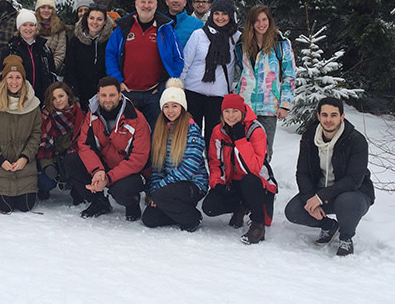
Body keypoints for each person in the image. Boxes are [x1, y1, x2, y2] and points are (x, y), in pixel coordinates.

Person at [284, 97, 374, 256]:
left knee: (346, 202)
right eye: (324, 115)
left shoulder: (356, 140)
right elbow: (303, 172)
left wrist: (320, 197)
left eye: (333, 115)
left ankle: (346, 237)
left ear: (342, 116)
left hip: (354, 193)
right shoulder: (309, 136)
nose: (328, 120)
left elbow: (353, 180)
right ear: (318, 116)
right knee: (293, 211)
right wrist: (310, 198)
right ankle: (329, 226)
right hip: (320, 191)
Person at [65, 76, 151, 221]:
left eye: (112, 95)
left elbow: (138, 159)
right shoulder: (92, 115)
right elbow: (84, 145)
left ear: (120, 95)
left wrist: (108, 178)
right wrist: (97, 171)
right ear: (98, 96)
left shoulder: (136, 119)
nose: (108, 99)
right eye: (103, 95)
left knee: (121, 190)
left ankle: (132, 202)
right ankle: (99, 201)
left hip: (131, 171)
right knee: (71, 161)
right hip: (104, 164)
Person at [202, 94, 278, 245]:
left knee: (249, 181)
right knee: (210, 207)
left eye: (235, 111)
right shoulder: (219, 131)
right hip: (233, 182)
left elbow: (253, 168)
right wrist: (217, 183)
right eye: (227, 111)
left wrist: (241, 139)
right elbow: (215, 162)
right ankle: (241, 206)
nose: (231, 116)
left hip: (257, 183)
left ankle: (258, 225)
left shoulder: (255, 130)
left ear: (242, 112)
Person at [106, 0, 184, 129]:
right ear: (136, 4)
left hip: (154, 93)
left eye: (150, 2)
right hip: (128, 91)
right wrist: (118, 81)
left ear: (156, 5)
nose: (146, 6)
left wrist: (165, 84)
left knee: (155, 133)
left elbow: (178, 58)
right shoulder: (123, 27)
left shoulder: (166, 29)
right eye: (143, 2)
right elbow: (110, 55)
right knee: (127, 132)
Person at [141, 78, 208, 232]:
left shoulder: (192, 130)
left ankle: (193, 217)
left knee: (162, 196)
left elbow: (188, 168)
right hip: (168, 187)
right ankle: (178, 210)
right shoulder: (161, 130)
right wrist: (155, 191)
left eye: (175, 106)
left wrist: (160, 190)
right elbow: (158, 168)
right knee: (149, 218)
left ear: (182, 107)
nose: (170, 111)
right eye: (166, 106)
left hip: (192, 184)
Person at [0, 55, 42, 213]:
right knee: (4, 206)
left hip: (24, 165)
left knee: (26, 206)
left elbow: (36, 135)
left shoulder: (33, 104)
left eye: (18, 77)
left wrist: (25, 157)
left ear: (23, 80)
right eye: (10, 77)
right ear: (4, 79)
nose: (14, 82)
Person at [235, 5, 296, 160]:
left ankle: (263, 175)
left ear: (270, 21)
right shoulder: (242, 43)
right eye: (257, 20)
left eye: (264, 20)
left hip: (269, 106)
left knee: (265, 150)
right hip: (245, 106)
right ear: (251, 22)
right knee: (243, 148)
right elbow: (238, 72)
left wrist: (285, 104)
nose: (261, 24)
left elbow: (289, 75)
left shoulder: (280, 43)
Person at [180, 0, 241, 148]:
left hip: (218, 95)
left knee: (214, 138)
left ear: (230, 15)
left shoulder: (236, 37)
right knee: (191, 136)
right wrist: (179, 86)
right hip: (193, 92)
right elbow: (185, 63)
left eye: (224, 14)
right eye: (216, 13)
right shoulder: (199, 35)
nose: (220, 18)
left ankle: (213, 162)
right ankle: (192, 161)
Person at [36, 82, 85, 201]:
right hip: (54, 158)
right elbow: (42, 144)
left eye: (61, 96)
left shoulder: (79, 114)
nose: (58, 100)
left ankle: (77, 186)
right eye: (53, 98)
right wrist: (47, 165)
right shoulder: (46, 116)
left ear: (68, 96)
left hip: (73, 156)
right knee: (46, 182)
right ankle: (44, 188)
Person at [65, 3, 114, 111]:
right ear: (86, 19)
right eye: (92, 18)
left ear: (105, 21)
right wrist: (74, 95)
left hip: (104, 94)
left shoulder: (111, 40)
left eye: (99, 19)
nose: (95, 22)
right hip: (80, 93)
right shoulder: (76, 40)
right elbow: (70, 68)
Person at [1, 9, 55, 103]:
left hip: (41, 98)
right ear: (19, 28)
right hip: (18, 100)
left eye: (31, 25)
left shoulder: (44, 49)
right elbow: (2, 76)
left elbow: (52, 74)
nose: (28, 28)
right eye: (24, 25)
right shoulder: (10, 49)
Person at [34, 0, 66, 71]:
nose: (46, 10)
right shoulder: (32, 26)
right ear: (38, 9)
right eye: (43, 7)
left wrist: (50, 68)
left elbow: (60, 53)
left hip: (50, 70)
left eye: (49, 8)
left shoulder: (59, 28)